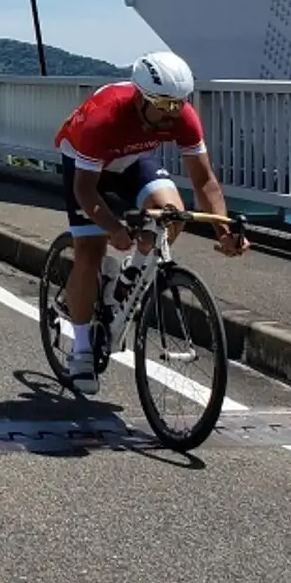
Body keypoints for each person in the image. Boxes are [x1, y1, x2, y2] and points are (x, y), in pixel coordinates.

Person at [52, 50, 249, 394]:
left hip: (131, 160)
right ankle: (81, 350)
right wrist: (113, 228)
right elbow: (84, 189)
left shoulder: (182, 116)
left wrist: (225, 229)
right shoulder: (105, 117)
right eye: (163, 105)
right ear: (141, 97)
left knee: (172, 214)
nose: (171, 114)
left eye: (178, 104)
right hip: (85, 167)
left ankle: (128, 275)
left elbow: (204, 181)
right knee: (90, 249)